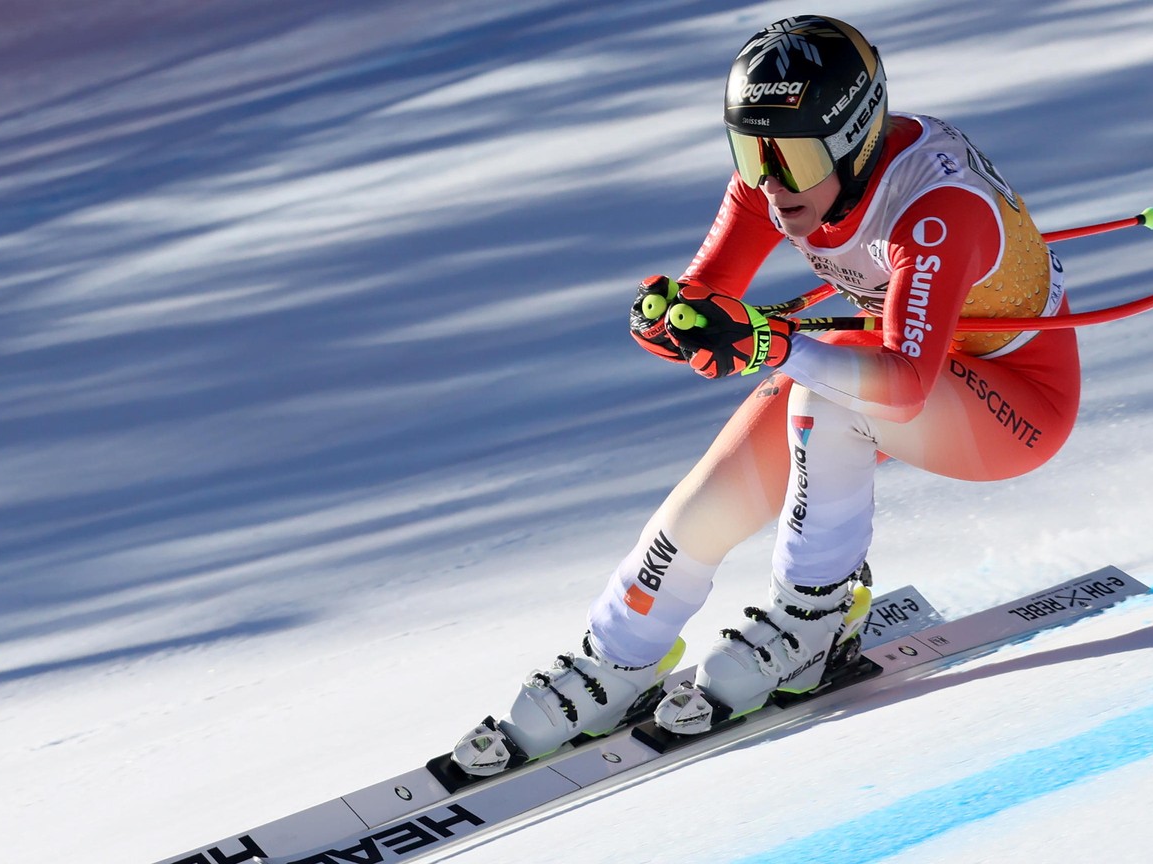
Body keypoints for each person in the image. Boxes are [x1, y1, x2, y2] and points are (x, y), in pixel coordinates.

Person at [451, 14, 1080, 776]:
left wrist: (771, 344)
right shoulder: (778, 179)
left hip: (1015, 407)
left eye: (792, 155)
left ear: (852, 139)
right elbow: (708, 299)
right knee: (757, 436)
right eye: (750, 149)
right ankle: (621, 650)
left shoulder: (937, 210)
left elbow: (906, 387)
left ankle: (815, 618)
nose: (770, 182)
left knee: (825, 383)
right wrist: (671, 321)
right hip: (891, 374)